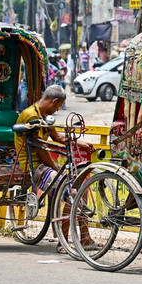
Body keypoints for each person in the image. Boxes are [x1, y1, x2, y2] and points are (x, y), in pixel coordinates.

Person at [14, 85, 96, 252]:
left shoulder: (44, 115)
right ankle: (63, 241)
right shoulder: (31, 116)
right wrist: (57, 168)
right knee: (72, 193)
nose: (58, 109)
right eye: (59, 106)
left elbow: (57, 137)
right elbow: (40, 150)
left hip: (45, 163)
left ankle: (85, 238)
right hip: (34, 166)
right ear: (54, 101)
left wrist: (81, 143)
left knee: (83, 189)